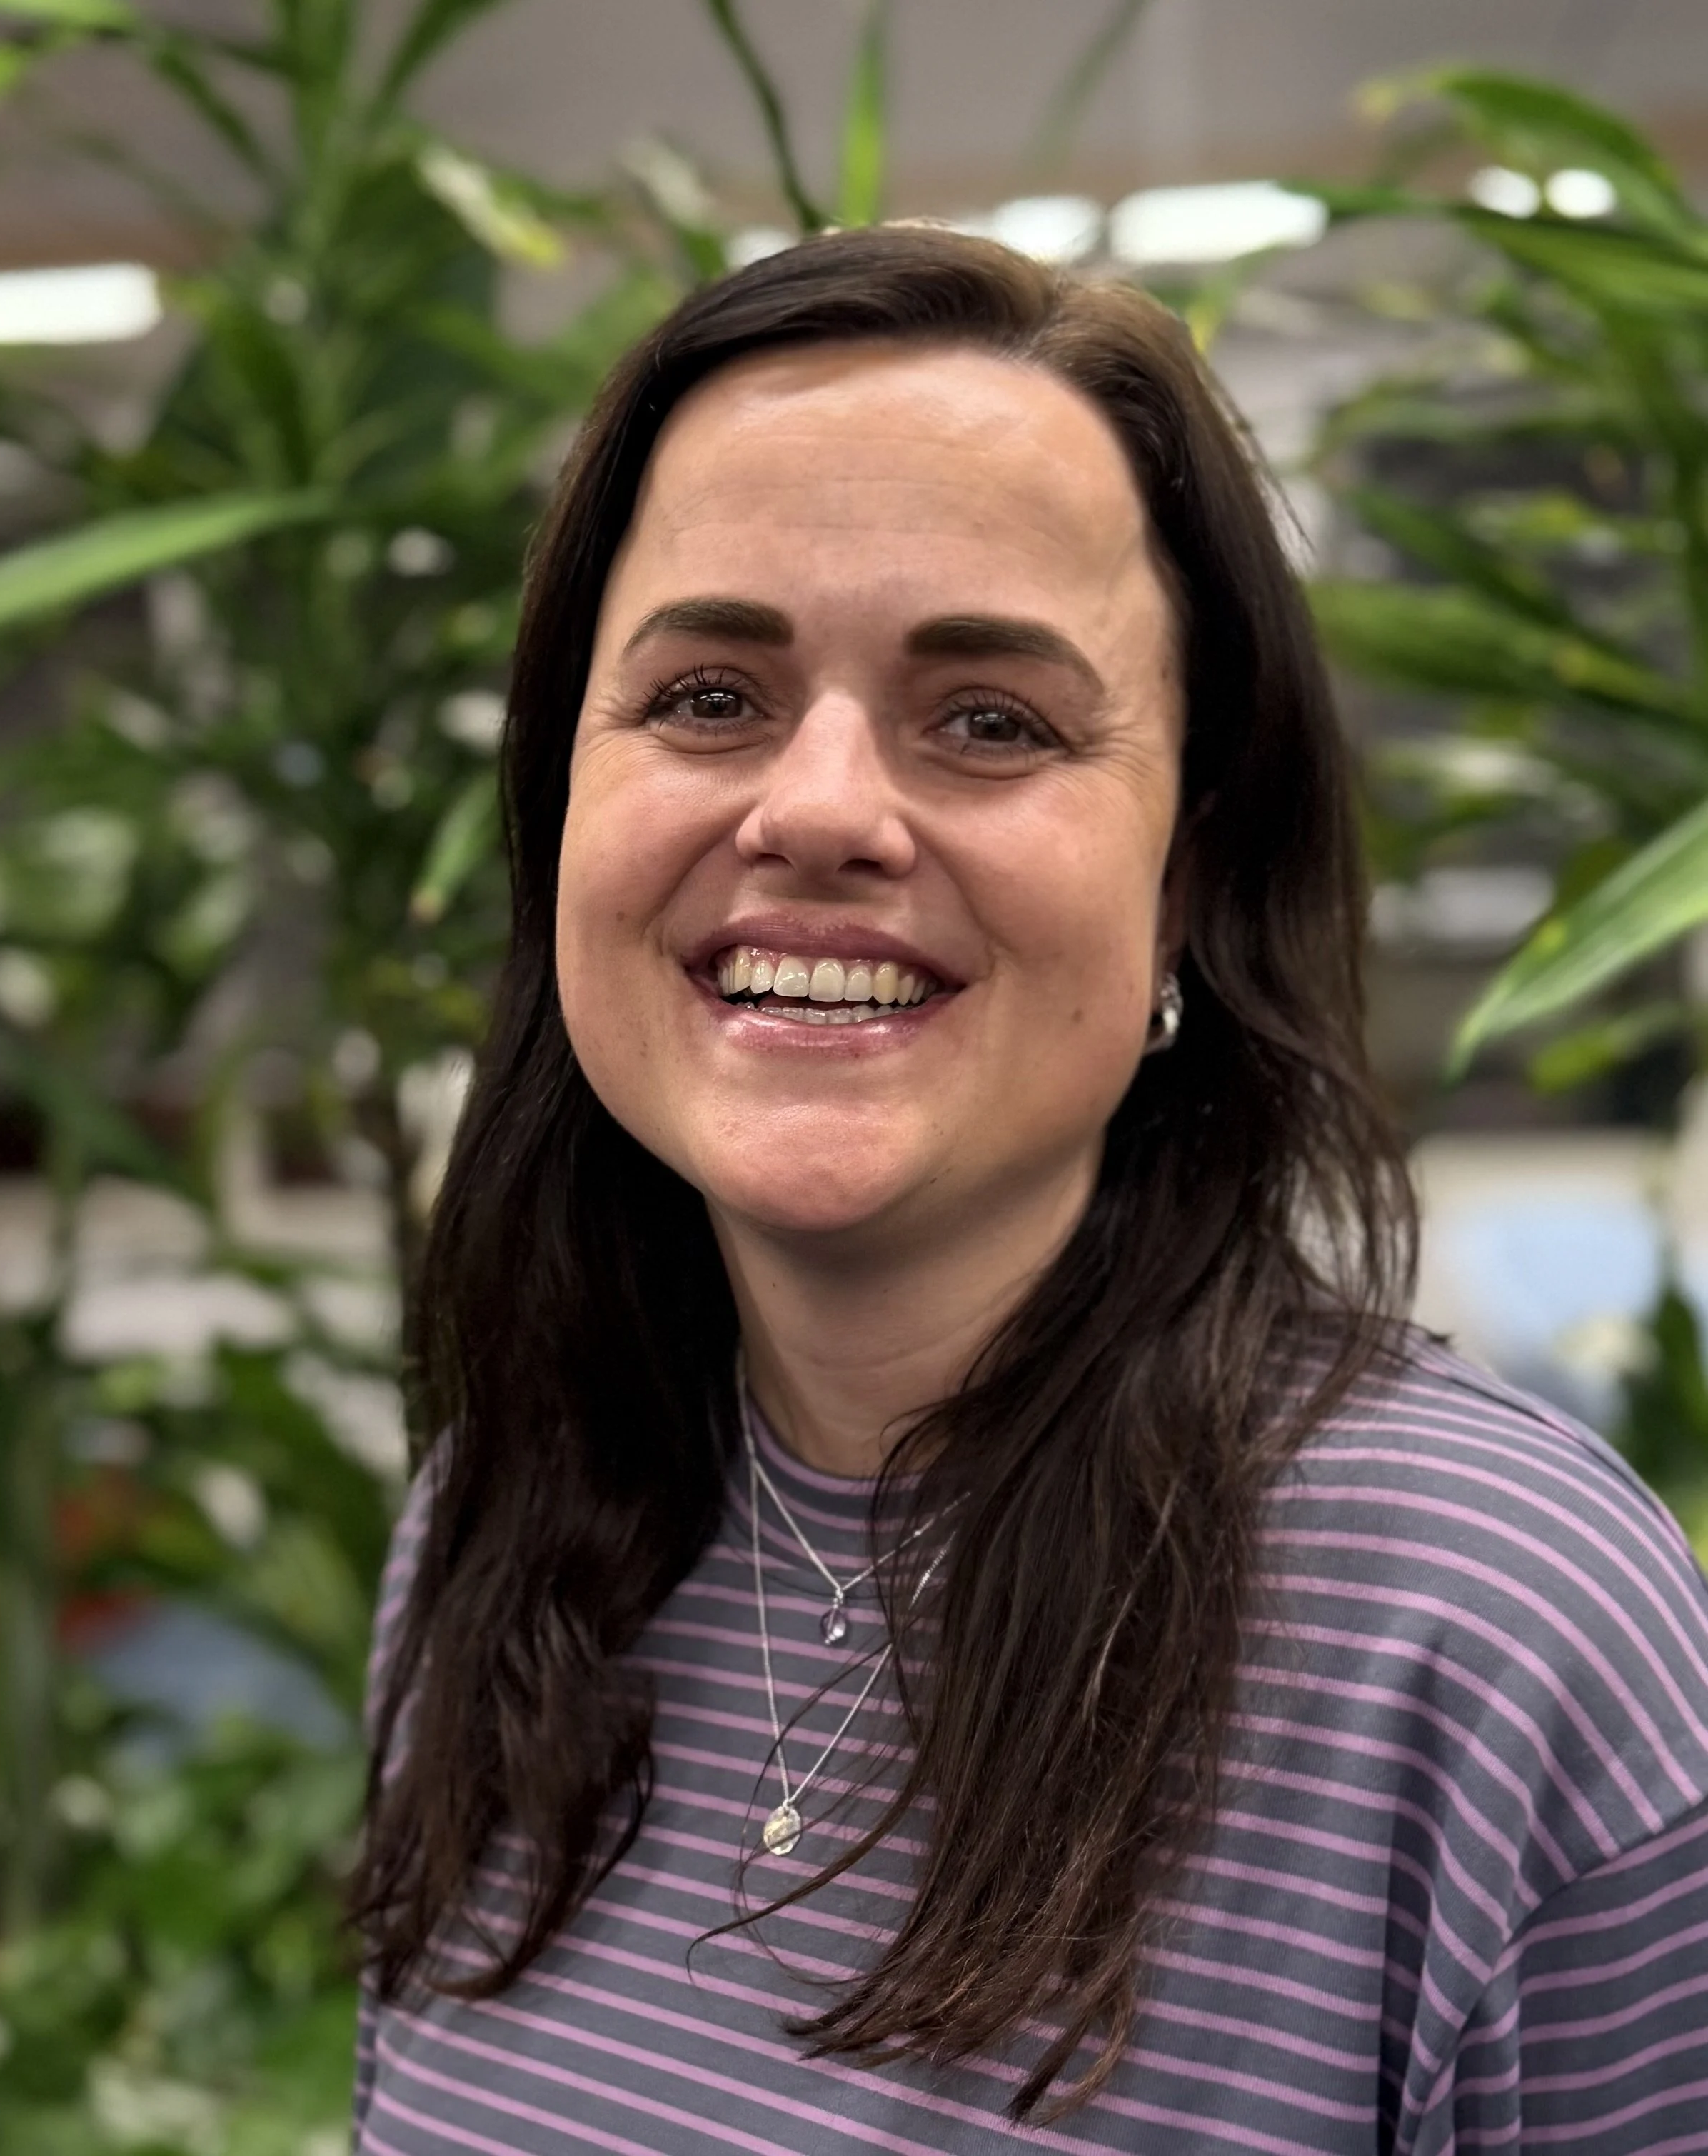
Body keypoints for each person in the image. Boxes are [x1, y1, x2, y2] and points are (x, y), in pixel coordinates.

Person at [349, 226, 1708, 2155]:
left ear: (1184, 882)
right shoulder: (506, 1527)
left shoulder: (1492, 1637)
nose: (819, 809)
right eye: (709, 696)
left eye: (990, 718)